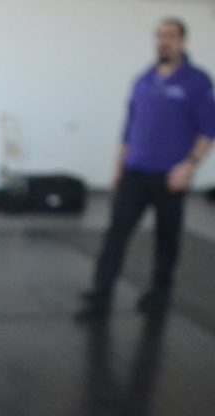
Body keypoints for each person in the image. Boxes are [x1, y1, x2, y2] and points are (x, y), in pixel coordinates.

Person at [78, 17, 215, 319]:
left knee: (166, 239)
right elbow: (129, 128)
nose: (163, 41)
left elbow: (209, 129)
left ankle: (160, 292)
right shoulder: (143, 80)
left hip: (171, 175)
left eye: (170, 35)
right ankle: (101, 291)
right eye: (160, 35)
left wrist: (189, 166)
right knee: (117, 233)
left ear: (182, 41)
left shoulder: (197, 81)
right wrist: (118, 167)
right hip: (135, 171)